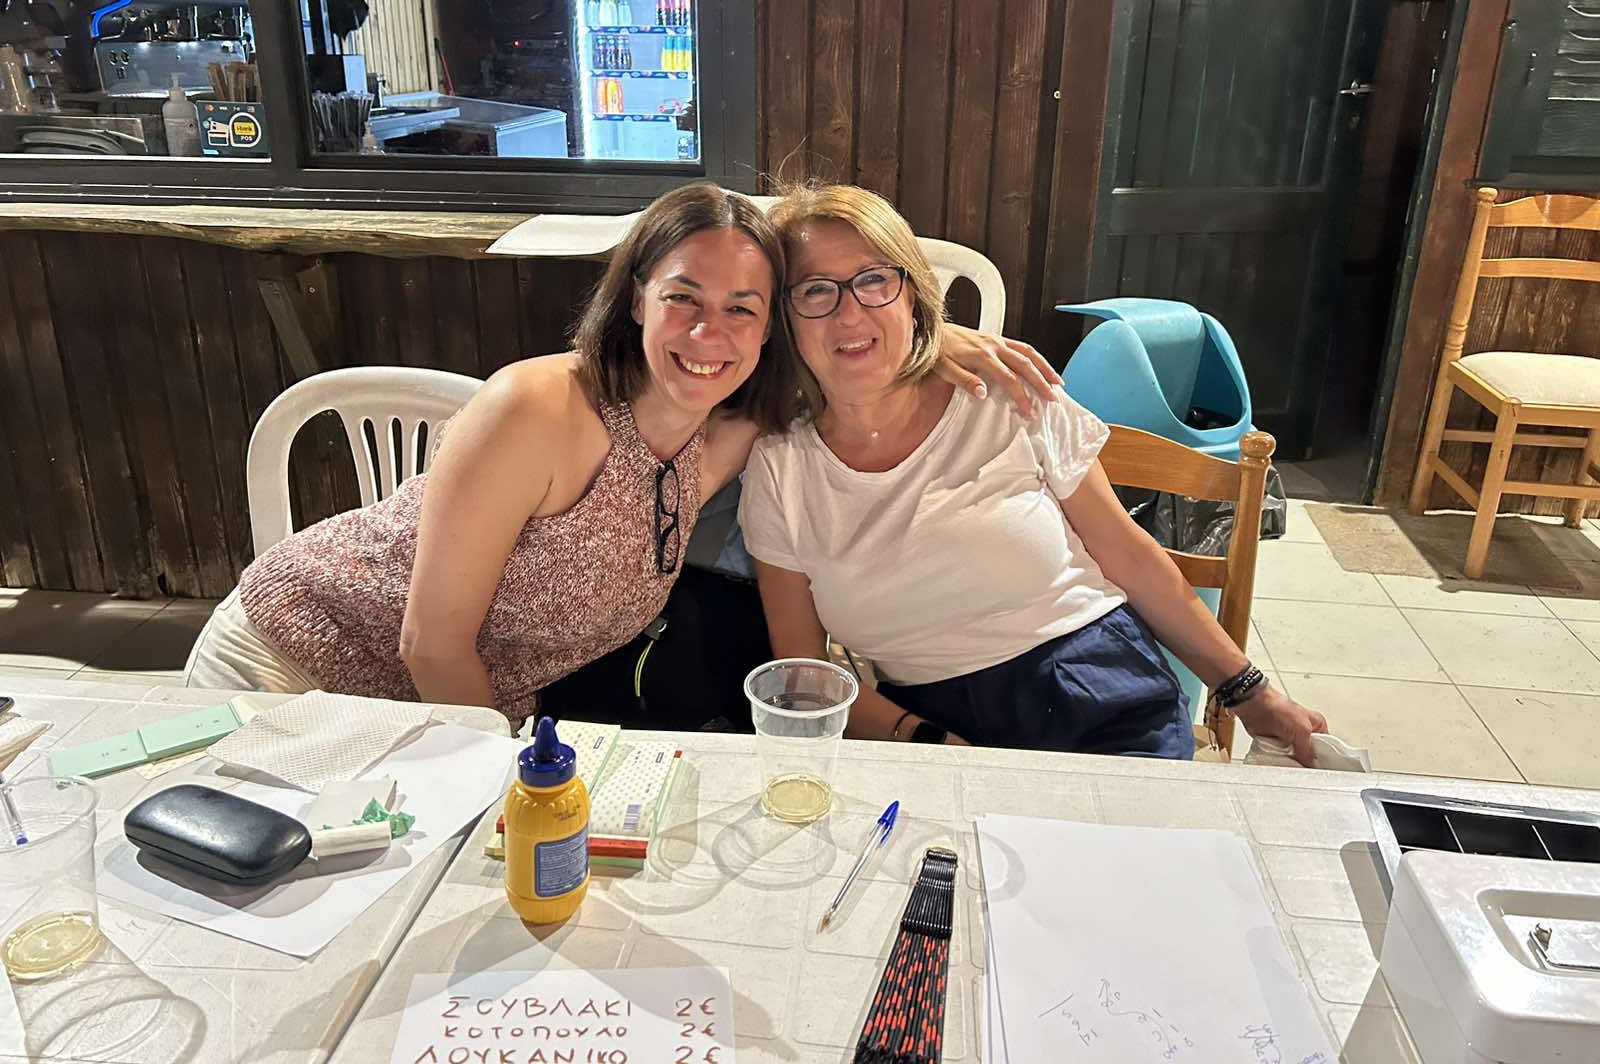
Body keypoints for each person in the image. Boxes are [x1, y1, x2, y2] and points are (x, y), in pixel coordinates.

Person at [184, 183, 1058, 727]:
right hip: (289, 672)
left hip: (438, 722)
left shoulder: (716, 436)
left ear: (769, 331)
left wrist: (926, 342)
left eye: (743, 309)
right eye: (684, 298)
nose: (710, 333)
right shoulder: (539, 408)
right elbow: (432, 643)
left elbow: (846, 348)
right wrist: (510, 786)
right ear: (637, 298)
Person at [740, 183, 1329, 764]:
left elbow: (1129, 555)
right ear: (782, 318)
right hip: (930, 721)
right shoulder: (779, 466)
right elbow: (804, 672)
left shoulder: (1005, 395)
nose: (850, 312)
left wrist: (1250, 692)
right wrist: (920, 738)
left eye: (873, 280)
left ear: (912, 293)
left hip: (1096, 683)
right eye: (815, 290)